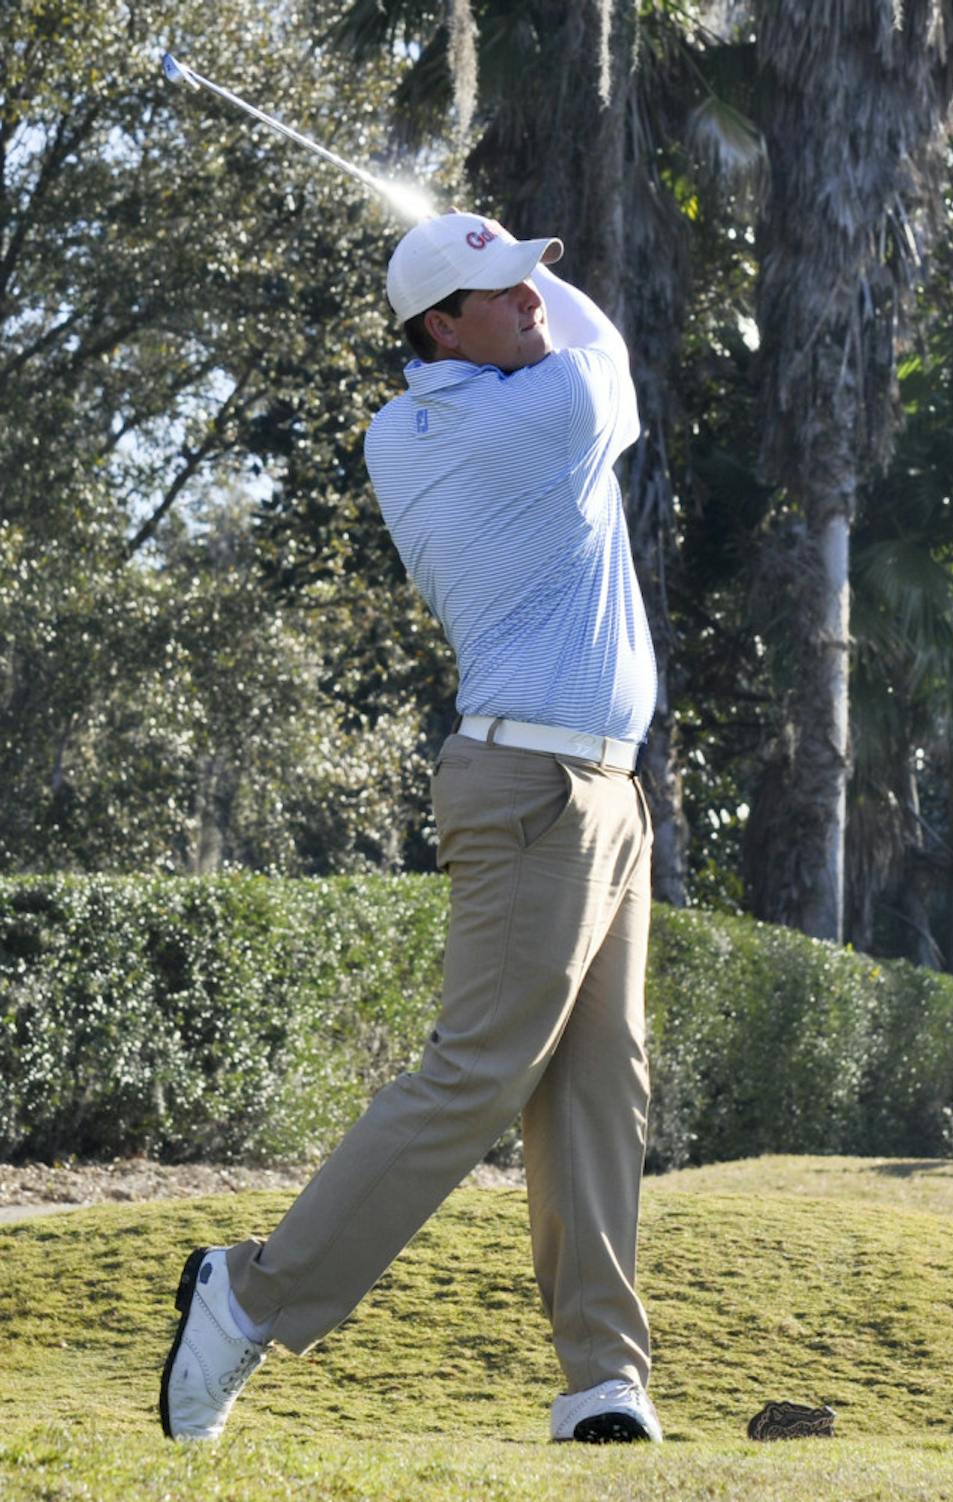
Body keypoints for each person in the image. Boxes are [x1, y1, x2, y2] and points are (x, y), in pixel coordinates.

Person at [159, 211, 661, 1446]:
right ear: (441, 327)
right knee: (477, 1071)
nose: (535, 298)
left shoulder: (452, 408)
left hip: (606, 790)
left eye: (534, 278)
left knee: (600, 1084)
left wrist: (497, 257)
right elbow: (612, 357)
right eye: (502, 290)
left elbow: (566, 331)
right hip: (532, 790)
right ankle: (249, 1294)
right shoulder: (515, 419)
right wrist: (528, 264)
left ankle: (603, 1374)